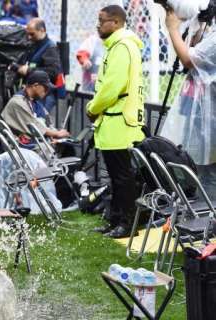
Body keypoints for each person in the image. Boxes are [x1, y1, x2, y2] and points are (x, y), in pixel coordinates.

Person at [87, 5, 145, 238]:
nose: (98, 24)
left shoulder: (122, 47)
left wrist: (93, 107)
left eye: (102, 20)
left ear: (116, 23)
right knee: (116, 176)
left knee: (122, 177)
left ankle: (127, 224)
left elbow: (112, 88)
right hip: (114, 121)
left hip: (119, 122)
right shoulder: (117, 46)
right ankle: (115, 220)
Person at [160, 5, 216, 195]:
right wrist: (197, 25)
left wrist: (173, 28)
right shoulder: (211, 30)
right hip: (205, 117)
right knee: (204, 174)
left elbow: (188, 59)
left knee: (210, 178)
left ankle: (207, 220)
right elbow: (192, 50)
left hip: (211, 118)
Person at [2, 70, 70, 140]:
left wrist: (54, 136)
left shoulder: (36, 102)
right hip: (20, 145)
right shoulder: (17, 102)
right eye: (45, 88)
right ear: (35, 86)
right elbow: (34, 127)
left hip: (34, 144)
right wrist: (56, 134)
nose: (47, 91)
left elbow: (48, 124)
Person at [14, 17, 63, 111]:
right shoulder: (33, 44)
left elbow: (52, 72)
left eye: (32, 34)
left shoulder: (50, 48)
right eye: (28, 34)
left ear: (42, 30)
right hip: (33, 92)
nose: (29, 37)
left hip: (45, 94)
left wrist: (29, 70)